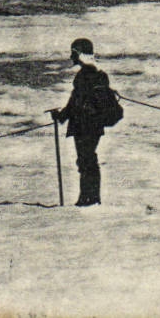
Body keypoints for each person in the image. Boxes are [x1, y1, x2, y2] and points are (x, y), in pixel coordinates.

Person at [50, 37, 119, 206]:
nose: (71, 57)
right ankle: (91, 198)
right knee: (88, 159)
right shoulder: (99, 74)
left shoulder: (83, 76)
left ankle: (87, 199)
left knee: (85, 160)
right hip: (94, 124)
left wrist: (61, 116)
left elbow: (75, 102)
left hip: (84, 125)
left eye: (73, 53)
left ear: (79, 54)